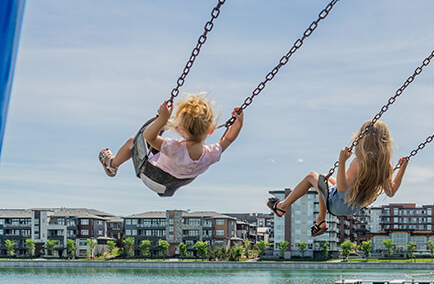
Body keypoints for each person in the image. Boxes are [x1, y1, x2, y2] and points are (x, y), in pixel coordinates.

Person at [265, 121, 408, 237]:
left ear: (362, 138)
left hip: (339, 203)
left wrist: (342, 161)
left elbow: (341, 188)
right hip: (353, 207)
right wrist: (402, 168)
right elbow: (391, 191)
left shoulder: (359, 162)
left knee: (312, 177)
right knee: (323, 180)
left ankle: (285, 207)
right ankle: (320, 220)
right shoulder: (384, 166)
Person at [98, 94, 243, 193]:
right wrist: (238, 124)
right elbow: (228, 139)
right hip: (172, 186)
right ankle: (177, 125)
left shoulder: (174, 148)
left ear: (181, 129)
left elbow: (148, 136)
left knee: (133, 142)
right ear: (211, 130)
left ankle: (112, 164)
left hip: (151, 176)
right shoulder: (211, 154)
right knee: (162, 133)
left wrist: (162, 119)